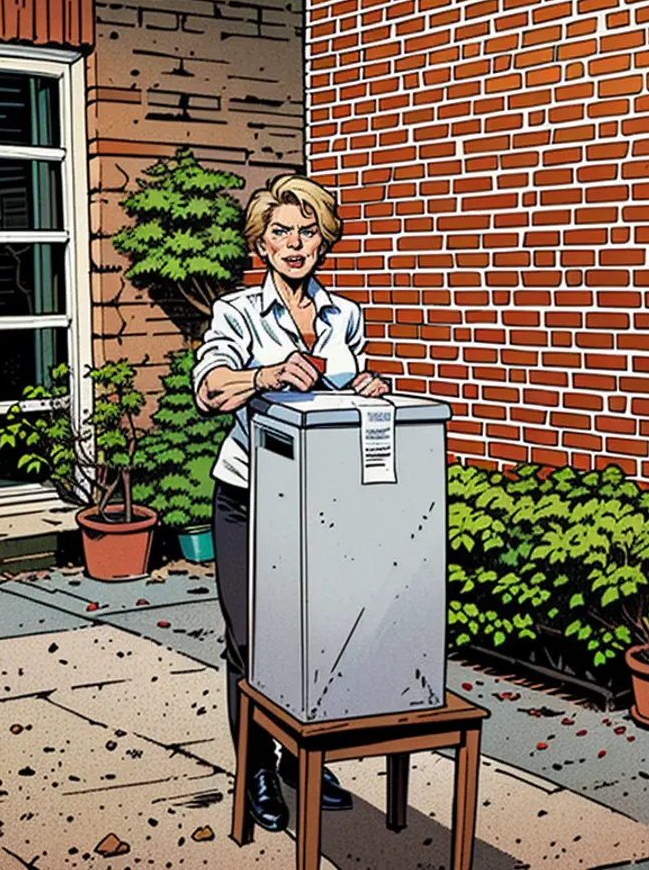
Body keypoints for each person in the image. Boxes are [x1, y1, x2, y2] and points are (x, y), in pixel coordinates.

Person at [193, 174, 391, 831]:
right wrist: (266, 375)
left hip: (319, 503)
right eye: (281, 231)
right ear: (262, 241)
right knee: (251, 640)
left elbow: (344, 392)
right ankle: (255, 768)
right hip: (249, 499)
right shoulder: (238, 313)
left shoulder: (345, 315)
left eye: (308, 231)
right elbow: (211, 391)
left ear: (324, 238)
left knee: (314, 639)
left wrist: (366, 384)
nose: (295, 242)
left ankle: (303, 756)